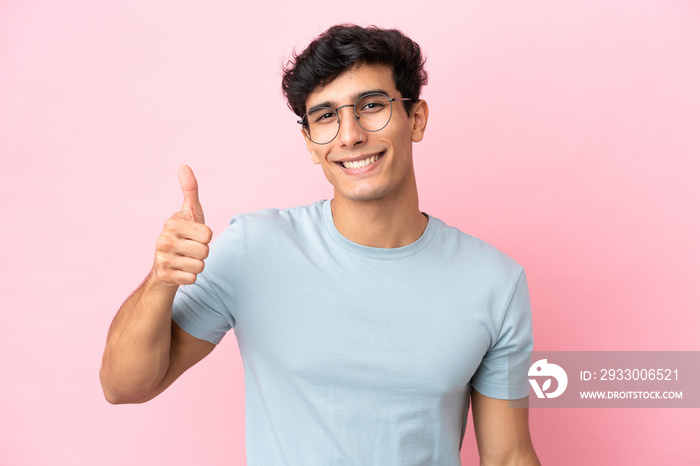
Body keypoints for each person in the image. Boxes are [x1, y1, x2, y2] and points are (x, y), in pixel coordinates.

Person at [100, 24, 540, 465]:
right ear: (310, 142)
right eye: (326, 117)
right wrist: (162, 280)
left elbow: (508, 456)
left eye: (371, 106)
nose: (349, 135)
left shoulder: (495, 282)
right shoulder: (253, 249)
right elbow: (124, 386)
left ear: (417, 119)